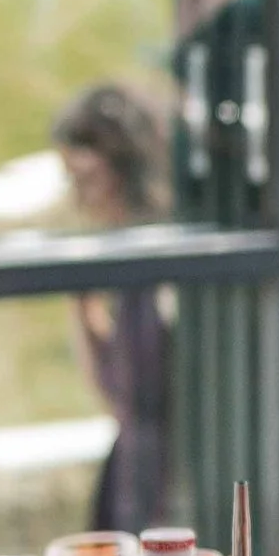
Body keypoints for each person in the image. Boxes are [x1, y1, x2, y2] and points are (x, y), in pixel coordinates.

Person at [54, 79, 174, 532]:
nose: (78, 196)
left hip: (165, 478)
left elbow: (130, 393)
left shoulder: (157, 272)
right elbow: (121, 397)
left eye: (84, 178)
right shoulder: (129, 271)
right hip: (137, 472)